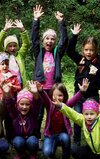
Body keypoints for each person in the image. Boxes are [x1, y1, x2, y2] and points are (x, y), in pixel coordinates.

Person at [67, 23, 100, 145]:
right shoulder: (80, 60)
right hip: (79, 95)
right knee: (78, 118)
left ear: (96, 50)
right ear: (83, 49)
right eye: (86, 50)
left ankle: (94, 139)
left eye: (92, 50)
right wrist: (74, 36)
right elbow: (69, 51)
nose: (89, 52)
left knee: (93, 118)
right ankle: (77, 141)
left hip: (93, 96)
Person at [31, 5, 68, 138]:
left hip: (53, 89)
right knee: (39, 113)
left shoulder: (57, 53)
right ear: (43, 40)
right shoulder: (39, 52)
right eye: (47, 38)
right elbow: (34, 39)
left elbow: (64, 41)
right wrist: (36, 20)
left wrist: (61, 23)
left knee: (54, 112)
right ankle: (36, 136)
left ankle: (52, 135)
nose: (50, 41)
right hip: (40, 88)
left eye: (52, 39)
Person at [38, 78, 89, 159]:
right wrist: (41, 91)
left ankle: (66, 158)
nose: (57, 98)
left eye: (60, 95)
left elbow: (74, 100)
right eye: (54, 95)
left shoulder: (66, 105)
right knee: (47, 153)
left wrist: (81, 91)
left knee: (65, 138)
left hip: (62, 134)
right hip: (51, 135)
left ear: (64, 96)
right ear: (51, 96)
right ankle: (52, 148)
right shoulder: (50, 105)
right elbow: (44, 98)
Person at [1, 80, 41, 159]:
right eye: (22, 104)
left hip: (31, 137)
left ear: (31, 105)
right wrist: (7, 93)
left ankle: (33, 154)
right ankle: (20, 153)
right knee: (18, 142)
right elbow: (10, 103)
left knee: (32, 142)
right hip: (19, 137)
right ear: (18, 104)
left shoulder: (33, 113)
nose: (24, 107)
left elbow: (37, 103)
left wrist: (35, 94)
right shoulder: (15, 114)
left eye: (27, 104)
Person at [0, 18, 30, 87]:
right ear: (6, 47)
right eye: (10, 46)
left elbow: (26, 44)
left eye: (14, 46)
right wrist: (4, 30)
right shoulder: (3, 55)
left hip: (20, 84)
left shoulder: (20, 55)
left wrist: (22, 30)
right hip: (7, 84)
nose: (12, 48)